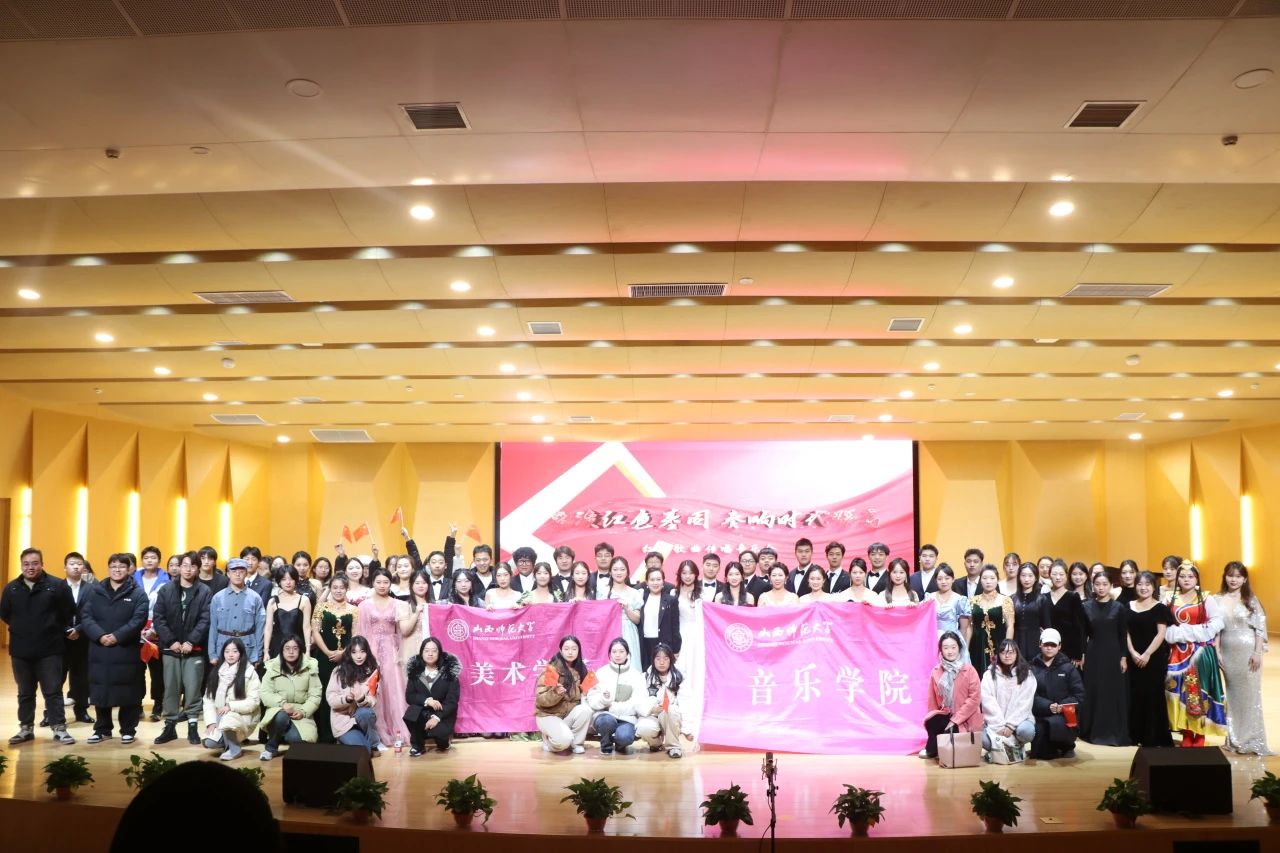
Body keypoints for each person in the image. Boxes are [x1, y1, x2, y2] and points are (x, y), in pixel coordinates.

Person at [1, 547, 76, 746]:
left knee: (53, 691)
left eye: (35, 563)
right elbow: (5, 614)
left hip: (50, 649)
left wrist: (50, 627)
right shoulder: (11, 588)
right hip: (21, 650)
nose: (30, 567)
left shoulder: (57, 586)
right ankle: (26, 728)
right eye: (26, 564)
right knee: (25, 692)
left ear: (42, 564)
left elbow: (68, 611)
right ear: (21, 565)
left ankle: (59, 728)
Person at [81, 553, 149, 745]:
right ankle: (102, 729)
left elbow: (139, 619)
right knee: (100, 689)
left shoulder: (138, 593)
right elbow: (86, 616)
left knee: (128, 690)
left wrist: (117, 636)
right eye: (113, 566)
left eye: (121, 566)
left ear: (129, 569)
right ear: (108, 568)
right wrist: (100, 635)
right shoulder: (95, 591)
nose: (117, 570)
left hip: (126, 649)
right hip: (99, 648)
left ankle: (128, 729)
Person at [1164, 561, 1227, 747]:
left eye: (1190, 576)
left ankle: (1200, 734)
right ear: (1177, 578)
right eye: (1183, 576)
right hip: (1177, 653)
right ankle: (1186, 733)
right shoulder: (1169, 598)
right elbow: (1163, 624)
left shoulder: (1207, 598)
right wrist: (1177, 634)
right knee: (1180, 692)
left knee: (1200, 692)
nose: (1186, 580)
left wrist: (1190, 632)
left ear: (1197, 578)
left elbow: (1217, 622)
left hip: (1201, 653)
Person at [152, 554, 212, 745]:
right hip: (171, 649)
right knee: (171, 688)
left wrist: (191, 641)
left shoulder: (204, 591)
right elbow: (159, 618)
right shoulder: (166, 589)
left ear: (198, 568)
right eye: (184, 565)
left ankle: (192, 727)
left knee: (193, 688)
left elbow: (206, 619)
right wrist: (171, 641)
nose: (188, 569)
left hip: (194, 649)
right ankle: (170, 726)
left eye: (192, 566)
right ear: (178, 568)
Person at [1214, 561, 1268, 755]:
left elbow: (1260, 628)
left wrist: (1257, 653)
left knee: (1250, 696)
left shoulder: (1251, 600)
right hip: (1227, 652)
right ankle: (1234, 738)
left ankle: (1251, 740)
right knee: (1233, 695)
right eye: (1230, 575)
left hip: (1248, 653)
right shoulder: (1216, 599)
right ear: (1225, 576)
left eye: (1238, 576)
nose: (1233, 579)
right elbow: (1216, 628)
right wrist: (1217, 651)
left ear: (1244, 579)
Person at [358, 568, 416, 748]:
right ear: (372, 583)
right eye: (378, 582)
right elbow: (361, 631)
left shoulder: (398, 604)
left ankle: (398, 731)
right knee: (375, 688)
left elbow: (402, 632)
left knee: (394, 689)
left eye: (386, 582)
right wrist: (363, 655)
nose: (382, 585)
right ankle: (378, 733)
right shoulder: (364, 606)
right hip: (371, 650)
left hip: (392, 651)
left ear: (391, 584)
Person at [1080, 570, 1129, 746]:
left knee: (1111, 692)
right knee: (1094, 690)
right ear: (1093, 586)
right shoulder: (1086, 606)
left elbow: (1123, 634)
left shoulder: (1119, 607)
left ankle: (1112, 731)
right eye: (1097, 584)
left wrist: (1123, 657)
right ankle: (1092, 731)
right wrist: (1082, 654)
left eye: (1104, 584)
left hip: (1113, 653)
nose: (1101, 588)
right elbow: (1083, 633)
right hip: (1093, 653)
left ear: (1111, 586)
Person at [1126, 570, 1174, 748]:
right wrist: (1132, 652)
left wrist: (1146, 654)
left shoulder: (1160, 608)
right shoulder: (1128, 606)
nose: (1143, 588)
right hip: (1133, 658)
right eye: (1140, 584)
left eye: (1147, 584)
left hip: (1153, 659)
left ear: (1154, 587)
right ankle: (1134, 734)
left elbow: (1161, 634)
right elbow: (1125, 632)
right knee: (1135, 695)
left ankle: (1152, 737)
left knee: (1153, 696)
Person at [258, 634, 322, 760]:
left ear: (300, 650)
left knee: (299, 741)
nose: (291, 652)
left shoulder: (310, 668)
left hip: (300, 712)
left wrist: (303, 711)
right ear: (282, 650)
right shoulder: (272, 667)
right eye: (287, 648)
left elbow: (315, 695)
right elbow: (265, 693)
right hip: (277, 710)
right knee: (281, 717)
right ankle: (271, 748)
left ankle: (285, 734)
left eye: (295, 648)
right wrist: (282, 704)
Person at [310, 575, 358, 743]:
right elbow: (315, 632)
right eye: (335, 587)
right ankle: (325, 734)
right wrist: (328, 652)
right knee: (324, 691)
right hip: (324, 657)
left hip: (346, 658)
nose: (338, 591)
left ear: (347, 589)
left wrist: (343, 653)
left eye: (342, 588)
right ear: (329, 589)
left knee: (344, 691)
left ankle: (344, 732)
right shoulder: (321, 608)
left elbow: (355, 634)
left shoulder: (354, 610)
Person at [922, 631, 982, 760]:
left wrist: (955, 720)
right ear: (941, 650)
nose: (950, 651)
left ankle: (941, 749)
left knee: (953, 734)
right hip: (947, 713)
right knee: (932, 721)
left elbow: (974, 699)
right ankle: (934, 748)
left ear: (959, 648)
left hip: (965, 717)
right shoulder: (936, 671)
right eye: (946, 648)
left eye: (953, 647)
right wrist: (933, 718)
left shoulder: (969, 670)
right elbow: (932, 700)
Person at [201, 637, 261, 760]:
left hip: (244, 716)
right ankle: (229, 741)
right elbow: (208, 699)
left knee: (227, 716)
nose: (230, 655)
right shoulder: (217, 671)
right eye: (227, 651)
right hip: (220, 717)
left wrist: (230, 706)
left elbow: (254, 701)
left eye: (235, 651)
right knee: (209, 742)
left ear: (241, 653)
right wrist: (211, 722)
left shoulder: (250, 672)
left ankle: (234, 749)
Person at [1030, 628, 1085, 760]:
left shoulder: (1069, 668)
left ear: (1059, 646)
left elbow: (1079, 695)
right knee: (1043, 754)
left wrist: (1062, 706)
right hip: (1041, 714)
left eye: (1053, 645)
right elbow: (1029, 695)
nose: (1049, 648)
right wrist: (1048, 706)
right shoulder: (1031, 668)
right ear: (1040, 644)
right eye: (1046, 644)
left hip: (1064, 715)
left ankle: (1067, 745)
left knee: (1058, 724)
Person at [587, 638, 648, 754]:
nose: (617, 655)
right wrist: (603, 700)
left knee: (625, 737)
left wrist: (612, 707)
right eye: (614, 652)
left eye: (621, 651)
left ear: (627, 653)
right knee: (606, 722)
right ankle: (606, 746)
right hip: (605, 715)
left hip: (627, 718)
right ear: (609, 654)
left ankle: (620, 745)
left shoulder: (636, 675)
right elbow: (592, 697)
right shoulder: (601, 672)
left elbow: (638, 701)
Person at [535, 635, 594, 754]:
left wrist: (594, 690)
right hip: (548, 715)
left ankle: (576, 743)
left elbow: (587, 693)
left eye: (574, 649)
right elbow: (541, 699)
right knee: (563, 741)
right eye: (566, 649)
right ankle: (548, 741)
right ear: (561, 651)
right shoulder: (552, 670)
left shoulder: (582, 669)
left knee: (585, 710)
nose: (570, 652)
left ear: (579, 651)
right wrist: (555, 693)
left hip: (566, 715)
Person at [980, 640, 1036, 762]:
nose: (1007, 655)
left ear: (1017, 654)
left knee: (1026, 731)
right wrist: (999, 726)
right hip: (997, 724)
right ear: (998, 654)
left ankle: (1015, 746)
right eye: (1003, 652)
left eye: (1011, 652)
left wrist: (1011, 725)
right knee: (981, 738)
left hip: (1019, 722)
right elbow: (988, 702)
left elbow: (1024, 703)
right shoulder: (989, 675)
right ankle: (1003, 749)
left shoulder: (1027, 674)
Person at [404, 636, 461, 755]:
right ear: (421, 653)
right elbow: (410, 696)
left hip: (442, 714)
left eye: (434, 651)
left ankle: (444, 742)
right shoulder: (415, 672)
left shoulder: (449, 673)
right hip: (423, 712)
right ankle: (418, 745)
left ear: (439, 653)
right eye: (426, 650)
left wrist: (436, 717)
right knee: (411, 712)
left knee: (440, 738)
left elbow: (452, 702)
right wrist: (427, 701)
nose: (430, 654)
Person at [327, 636, 382, 754]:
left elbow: (373, 700)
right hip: (343, 722)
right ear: (349, 653)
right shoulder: (338, 672)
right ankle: (346, 741)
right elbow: (331, 700)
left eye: (362, 651)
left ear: (367, 652)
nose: (359, 656)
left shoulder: (372, 672)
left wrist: (361, 699)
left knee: (366, 713)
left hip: (361, 717)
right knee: (364, 752)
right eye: (354, 652)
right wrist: (346, 699)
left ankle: (373, 744)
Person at [635, 642, 692, 758]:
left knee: (670, 710)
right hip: (652, 715)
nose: (662, 662)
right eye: (658, 658)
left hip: (671, 716)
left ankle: (674, 747)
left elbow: (686, 704)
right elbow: (638, 701)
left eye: (665, 658)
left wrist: (687, 729)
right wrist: (652, 709)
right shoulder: (645, 677)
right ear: (653, 660)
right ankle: (656, 744)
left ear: (671, 660)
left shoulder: (679, 677)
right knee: (643, 728)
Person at [135, 545, 170, 722]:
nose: (150, 560)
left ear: (159, 560)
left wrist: (155, 629)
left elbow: (166, 608)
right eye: (146, 557)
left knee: (157, 672)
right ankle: (137, 704)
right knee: (136, 670)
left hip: (157, 632)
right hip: (136, 631)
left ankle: (158, 705)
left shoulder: (166, 580)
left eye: (153, 557)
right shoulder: (133, 579)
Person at [62, 551, 94, 726]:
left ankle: (81, 711)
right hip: (60, 639)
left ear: (84, 567)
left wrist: (79, 629)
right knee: (56, 677)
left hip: (83, 638)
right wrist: (66, 630)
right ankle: (51, 713)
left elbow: (93, 613)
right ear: (65, 567)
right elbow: (52, 614)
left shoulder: (91, 588)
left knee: (81, 676)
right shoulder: (57, 587)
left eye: (79, 564)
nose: (76, 567)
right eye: (72, 564)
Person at [968, 565, 1014, 677]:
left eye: (992, 578)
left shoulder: (1005, 600)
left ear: (997, 580)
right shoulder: (972, 601)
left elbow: (1010, 626)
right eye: (984, 578)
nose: (988, 581)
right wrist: (966, 648)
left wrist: (1007, 647)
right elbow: (969, 626)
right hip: (977, 645)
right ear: (980, 580)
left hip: (999, 644)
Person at [598, 558, 643, 671]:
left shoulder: (634, 593)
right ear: (610, 571)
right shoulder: (603, 592)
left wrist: (627, 608)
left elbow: (637, 620)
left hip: (629, 631)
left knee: (631, 664)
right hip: (609, 631)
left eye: (622, 569)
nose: (619, 572)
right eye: (615, 569)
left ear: (627, 571)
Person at [264, 565, 312, 660]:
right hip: (277, 646)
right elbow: (268, 628)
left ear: (296, 580)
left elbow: (306, 627)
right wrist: (266, 651)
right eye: (284, 579)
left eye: (291, 579)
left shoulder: (304, 600)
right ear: (279, 581)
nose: (288, 582)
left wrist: (308, 650)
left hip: (297, 646)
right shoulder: (272, 602)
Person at [639, 567, 681, 670]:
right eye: (652, 580)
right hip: (645, 644)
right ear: (647, 582)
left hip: (664, 644)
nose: (655, 583)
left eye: (658, 579)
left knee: (664, 672)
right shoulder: (640, 598)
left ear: (663, 582)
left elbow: (675, 626)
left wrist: (676, 649)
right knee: (646, 672)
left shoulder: (671, 600)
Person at [1046, 561, 1087, 668]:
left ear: (1066, 576)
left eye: (1061, 574)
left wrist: (1078, 654)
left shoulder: (1073, 596)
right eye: (1054, 574)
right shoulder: (1044, 597)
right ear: (1050, 575)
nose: (1058, 577)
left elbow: (1079, 627)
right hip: (1048, 647)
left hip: (1069, 648)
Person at [1011, 563, 1052, 662]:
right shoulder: (1012, 598)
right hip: (1016, 639)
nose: (1026, 579)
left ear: (1036, 578)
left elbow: (1047, 626)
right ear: (1019, 577)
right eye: (1023, 575)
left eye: (1030, 576)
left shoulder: (1042, 599)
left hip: (1035, 640)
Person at [926, 564, 970, 656]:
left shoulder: (960, 600)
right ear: (935, 580)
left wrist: (960, 645)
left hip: (953, 640)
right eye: (940, 579)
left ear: (953, 579)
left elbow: (964, 628)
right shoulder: (929, 598)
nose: (943, 582)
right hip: (932, 639)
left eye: (947, 578)